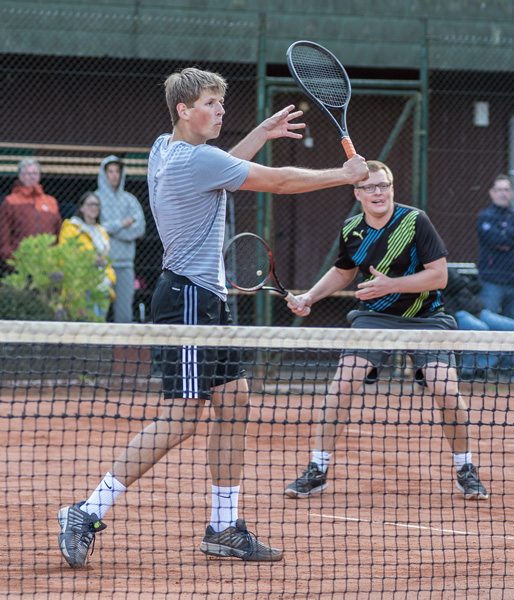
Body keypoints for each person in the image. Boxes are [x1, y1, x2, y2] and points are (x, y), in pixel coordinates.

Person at [56, 67, 369, 568]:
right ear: (184, 110)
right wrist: (343, 175)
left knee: (235, 401)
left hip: (208, 300)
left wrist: (258, 135)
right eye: (210, 103)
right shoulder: (195, 161)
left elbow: (223, 167)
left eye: (222, 104)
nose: (220, 111)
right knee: (182, 417)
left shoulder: (165, 147)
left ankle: (223, 527)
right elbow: (279, 181)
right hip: (186, 300)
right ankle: (85, 512)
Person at [283, 160, 489, 503]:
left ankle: (465, 469)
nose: (377, 192)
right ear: (357, 193)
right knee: (343, 383)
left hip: (426, 316)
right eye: (369, 187)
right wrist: (310, 296)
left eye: (383, 186)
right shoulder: (351, 230)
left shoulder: (415, 221)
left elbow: (439, 276)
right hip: (375, 318)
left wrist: (392, 285)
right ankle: (317, 470)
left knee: (446, 390)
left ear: (391, 189)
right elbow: (344, 271)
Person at [475, 174, 514, 325]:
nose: (503, 193)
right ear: (492, 193)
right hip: (492, 281)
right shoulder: (485, 216)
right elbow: (494, 240)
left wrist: (507, 232)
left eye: (506, 189)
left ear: (512, 193)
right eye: (499, 190)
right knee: (487, 324)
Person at [444, 266, 514, 380]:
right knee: (480, 329)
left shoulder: (450, 271)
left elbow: (475, 286)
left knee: (513, 327)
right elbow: (456, 284)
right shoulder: (433, 274)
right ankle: (467, 370)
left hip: (479, 311)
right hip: (457, 313)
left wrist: (464, 282)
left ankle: (482, 367)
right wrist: (463, 282)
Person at [95, 155, 147, 323]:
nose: (114, 175)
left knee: (124, 314)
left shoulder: (130, 200)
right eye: (110, 171)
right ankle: (97, 349)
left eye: (117, 171)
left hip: (125, 265)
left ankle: (122, 350)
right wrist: (122, 224)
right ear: (104, 174)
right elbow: (97, 229)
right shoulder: (95, 199)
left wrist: (112, 230)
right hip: (101, 265)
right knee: (98, 311)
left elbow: (139, 229)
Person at [58, 191, 117, 319]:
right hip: (82, 285)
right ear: (81, 207)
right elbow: (65, 256)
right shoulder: (71, 228)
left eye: (97, 205)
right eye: (90, 204)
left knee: (100, 325)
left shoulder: (101, 232)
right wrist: (90, 260)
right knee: (89, 324)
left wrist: (111, 279)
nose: (94, 208)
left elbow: (107, 261)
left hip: (102, 286)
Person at [0, 159, 62, 272]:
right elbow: (4, 235)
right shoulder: (10, 201)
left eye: (34, 173)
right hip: (22, 263)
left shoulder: (51, 201)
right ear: (20, 176)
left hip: (48, 263)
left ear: (39, 176)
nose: (32, 177)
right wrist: (11, 261)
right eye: (28, 174)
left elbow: (58, 232)